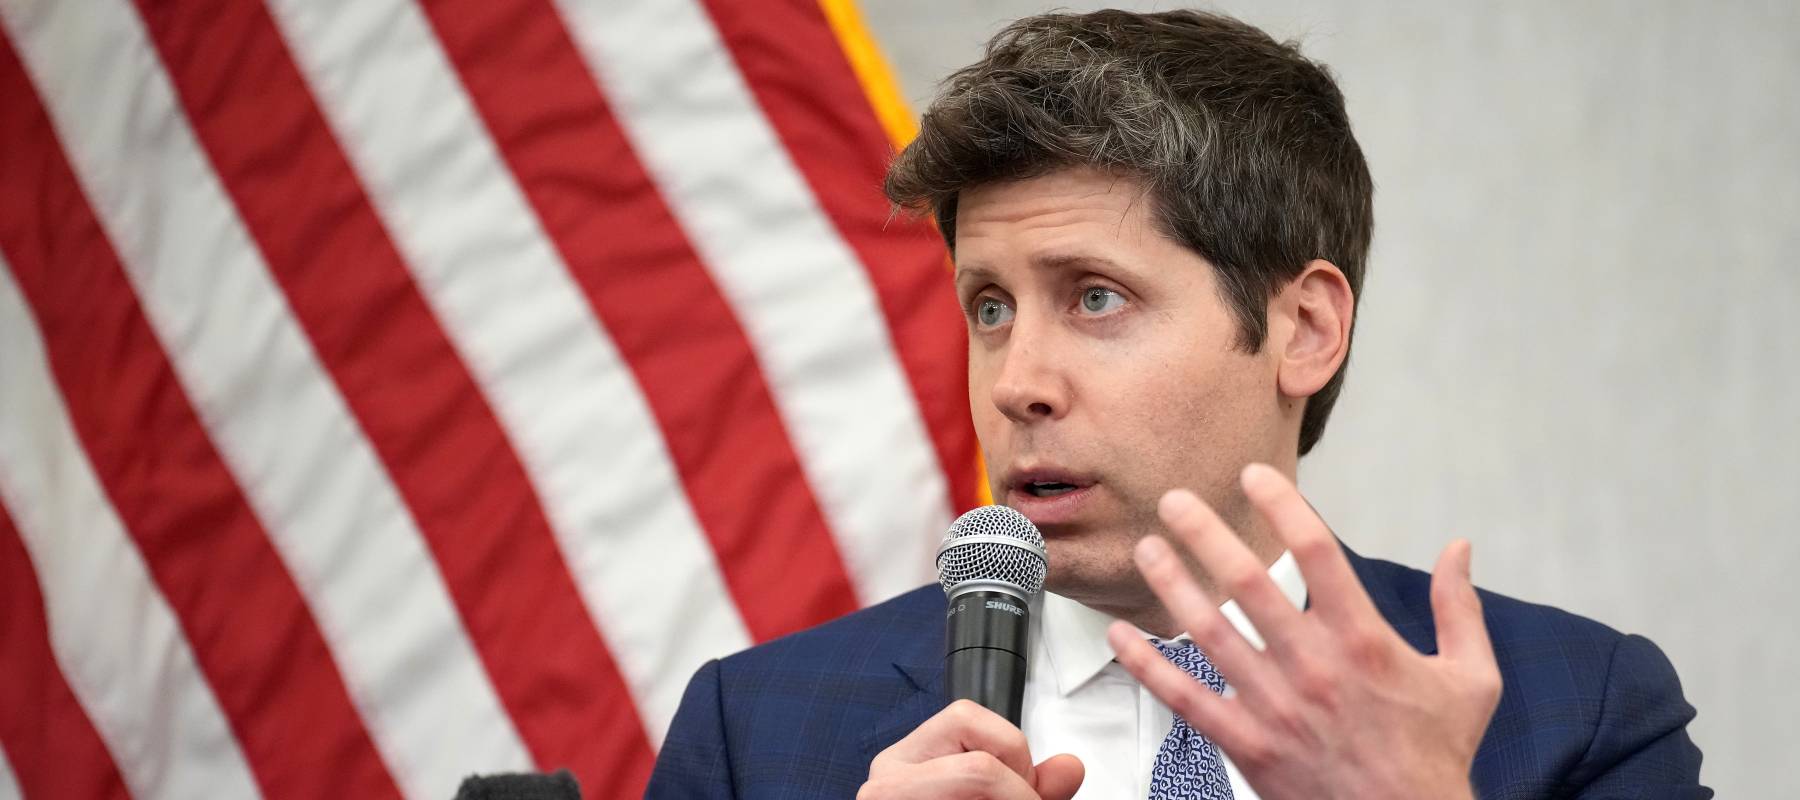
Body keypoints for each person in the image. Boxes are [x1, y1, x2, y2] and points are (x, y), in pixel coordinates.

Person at [646, 9, 1709, 799]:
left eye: (1095, 297)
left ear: (1304, 329)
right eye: (990, 307)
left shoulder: (1577, 713)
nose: (1017, 382)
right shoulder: (755, 733)